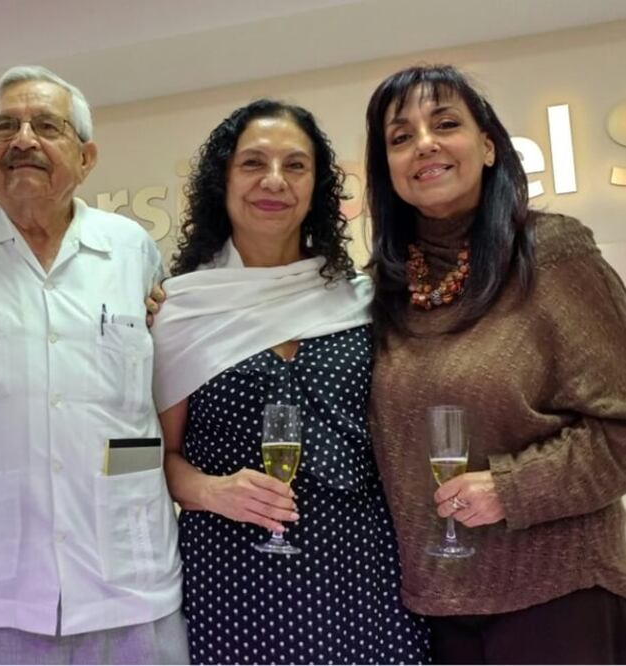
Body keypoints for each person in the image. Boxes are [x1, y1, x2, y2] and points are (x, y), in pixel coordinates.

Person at [0, 65, 186, 664]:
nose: (23, 140)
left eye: (46, 126)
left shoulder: (131, 249)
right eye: (4, 127)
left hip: (130, 582)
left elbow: (156, 383)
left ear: (86, 157)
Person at [150, 99, 428, 664]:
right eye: (253, 163)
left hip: (365, 569)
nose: (274, 180)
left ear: (317, 185)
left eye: (295, 165)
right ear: (223, 180)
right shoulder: (181, 309)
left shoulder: (360, 300)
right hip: (235, 574)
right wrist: (210, 490)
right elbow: (160, 455)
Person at [364, 63, 626, 663]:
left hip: (559, 593)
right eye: (400, 137)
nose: (423, 144)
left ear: (487, 147)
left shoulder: (551, 252)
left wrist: (512, 489)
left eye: (445, 124)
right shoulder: (385, 289)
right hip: (436, 606)